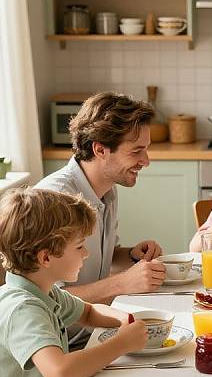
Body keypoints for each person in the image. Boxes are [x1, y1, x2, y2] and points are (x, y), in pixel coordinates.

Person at [0, 188, 147, 377]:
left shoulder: (44, 290)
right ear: (46, 257)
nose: (87, 253)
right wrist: (122, 343)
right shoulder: (22, 309)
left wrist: (125, 321)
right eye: (80, 247)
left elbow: (90, 312)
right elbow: (61, 373)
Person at [36, 92, 166, 346]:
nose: (146, 161)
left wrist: (129, 255)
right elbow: (47, 300)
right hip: (64, 345)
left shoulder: (107, 189)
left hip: (93, 331)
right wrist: (121, 283)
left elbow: (93, 259)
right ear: (100, 149)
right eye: (137, 151)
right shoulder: (56, 200)